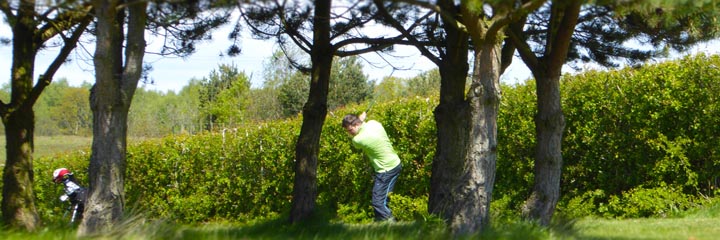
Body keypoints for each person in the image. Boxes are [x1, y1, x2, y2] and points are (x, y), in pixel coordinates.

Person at [342, 111, 402, 222]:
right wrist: (361, 120)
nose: (349, 133)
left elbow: (356, 141)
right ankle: (381, 226)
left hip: (386, 171)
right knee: (383, 200)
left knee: (378, 203)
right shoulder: (374, 123)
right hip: (395, 163)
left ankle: (393, 226)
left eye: (350, 130)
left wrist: (361, 119)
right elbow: (365, 125)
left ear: (356, 125)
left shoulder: (358, 140)